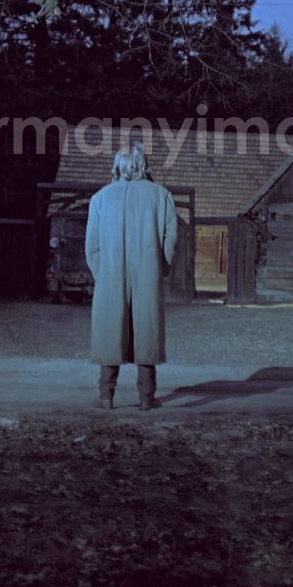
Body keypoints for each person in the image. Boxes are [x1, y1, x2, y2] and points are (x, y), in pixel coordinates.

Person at [84, 141, 178, 410]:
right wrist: (161, 268)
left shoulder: (100, 198)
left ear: (117, 164)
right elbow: (170, 238)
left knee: (110, 329)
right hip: (147, 270)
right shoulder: (160, 196)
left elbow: (92, 246)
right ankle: (147, 397)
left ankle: (106, 395)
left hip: (111, 274)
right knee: (146, 329)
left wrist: (104, 275)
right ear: (142, 164)